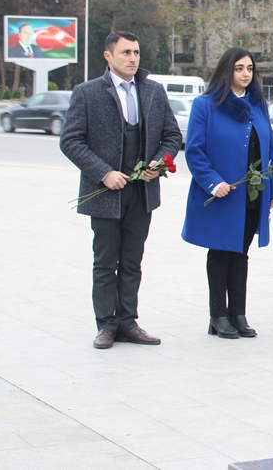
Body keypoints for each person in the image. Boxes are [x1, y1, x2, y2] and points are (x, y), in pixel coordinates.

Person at [60, 31, 182, 349]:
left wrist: (158, 162)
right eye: (126, 52)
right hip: (105, 193)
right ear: (108, 56)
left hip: (141, 192)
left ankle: (127, 322)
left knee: (131, 260)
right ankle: (106, 325)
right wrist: (103, 173)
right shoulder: (87, 93)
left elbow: (172, 135)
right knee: (104, 260)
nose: (132, 58)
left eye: (136, 53)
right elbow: (70, 140)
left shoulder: (153, 91)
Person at [181, 47, 273, 339]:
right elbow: (195, 151)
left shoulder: (258, 105)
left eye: (249, 69)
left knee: (241, 254)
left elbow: (271, 150)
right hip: (223, 195)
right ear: (227, 71)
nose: (245, 74)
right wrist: (213, 182)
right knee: (221, 253)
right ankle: (218, 316)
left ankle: (238, 314)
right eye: (239, 68)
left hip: (252, 195)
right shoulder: (206, 105)